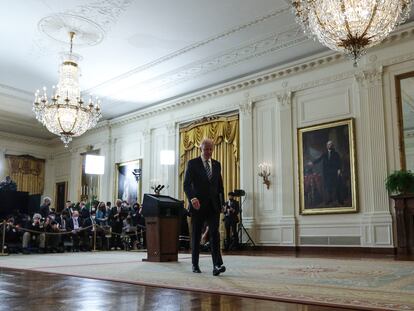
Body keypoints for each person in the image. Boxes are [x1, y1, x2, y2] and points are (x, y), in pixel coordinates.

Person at [184, 138, 226, 276]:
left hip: (213, 206)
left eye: (210, 149)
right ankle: (195, 264)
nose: (208, 152)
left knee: (214, 233)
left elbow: (220, 187)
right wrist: (192, 198)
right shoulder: (192, 163)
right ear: (200, 149)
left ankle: (217, 265)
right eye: (205, 149)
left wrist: (222, 203)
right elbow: (186, 184)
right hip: (198, 206)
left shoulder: (217, 164)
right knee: (196, 235)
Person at [310, 140, 343, 205]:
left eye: (330, 144)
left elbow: (339, 162)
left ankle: (339, 200)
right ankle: (330, 199)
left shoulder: (336, 154)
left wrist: (339, 170)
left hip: (334, 172)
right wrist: (313, 162)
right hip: (327, 173)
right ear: (326, 146)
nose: (329, 146)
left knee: (336, 185)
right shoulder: (324, 154)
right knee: (328, 186)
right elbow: (319, 159)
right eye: (328, 145)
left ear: (332, 146)